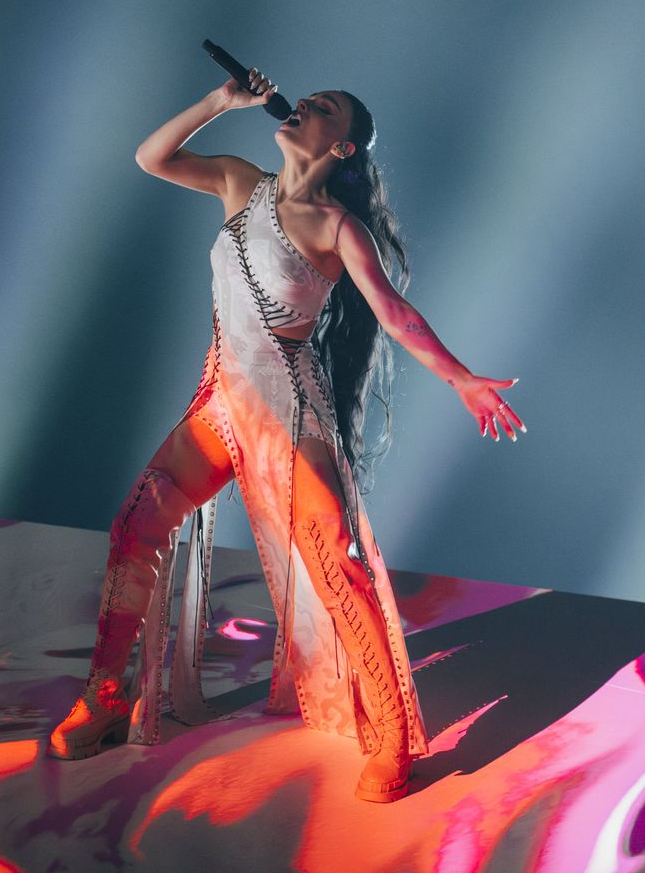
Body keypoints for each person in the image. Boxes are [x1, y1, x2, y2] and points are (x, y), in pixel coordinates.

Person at [47, 68, 525, 803]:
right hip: (221, 403)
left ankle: (390, 737)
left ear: (342, 147)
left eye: (323, 108)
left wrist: (461, 378)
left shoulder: (337, 228)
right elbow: (152, 158)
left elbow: (395, 314)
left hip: (291, 411)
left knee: (336, 564)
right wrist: (221, 101)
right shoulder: (240, 182)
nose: (303, 104)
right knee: (135, 527)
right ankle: (105, 697)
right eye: (306, 99)